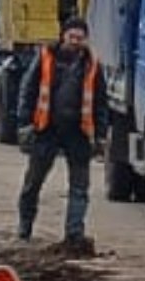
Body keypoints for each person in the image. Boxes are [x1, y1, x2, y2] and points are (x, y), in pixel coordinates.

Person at [15, 17, 109, 247]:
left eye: (80, 38)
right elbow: (28, 90)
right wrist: (25, 123)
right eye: (72, 37)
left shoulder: (92, 65)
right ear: (63, 36)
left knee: (79, 187)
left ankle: (74, 234)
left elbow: (100, 103)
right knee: (33, 182)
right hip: (46, 129)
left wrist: (100, 135)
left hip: (78, 132)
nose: (75, 42)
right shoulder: (45, 57)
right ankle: (24, 227)